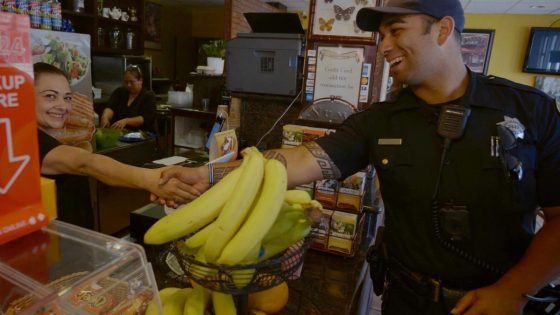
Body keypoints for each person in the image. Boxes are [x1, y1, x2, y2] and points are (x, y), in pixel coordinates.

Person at [156, 0, 560, 314]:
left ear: (443, 29)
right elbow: (296, 161)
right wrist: (218, 177)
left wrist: (514, 291)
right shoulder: (379, 120)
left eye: (395, 31)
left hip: (503, 304)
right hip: (406, 302)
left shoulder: (530, 110)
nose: (383, 47)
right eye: (381, 35)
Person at [34, 62, 196, 229]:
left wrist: (83, 146)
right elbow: (86, 163)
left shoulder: (48, 137)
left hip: (74, 235)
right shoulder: (31, 143)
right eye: (50, 96)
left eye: (67, 98)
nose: (62, 106)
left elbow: (74, 155)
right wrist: (151, 179)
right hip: (58, 242)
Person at [100, 65, 155, 131]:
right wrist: (105, 117)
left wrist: (126, 121)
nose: (128, 85)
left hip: (141, 135)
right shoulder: (119, 92)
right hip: (120, 134)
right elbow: (110, 107)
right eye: (126, 82)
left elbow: (144, 118)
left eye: (131, 82)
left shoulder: (148, 96)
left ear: (140, 80)